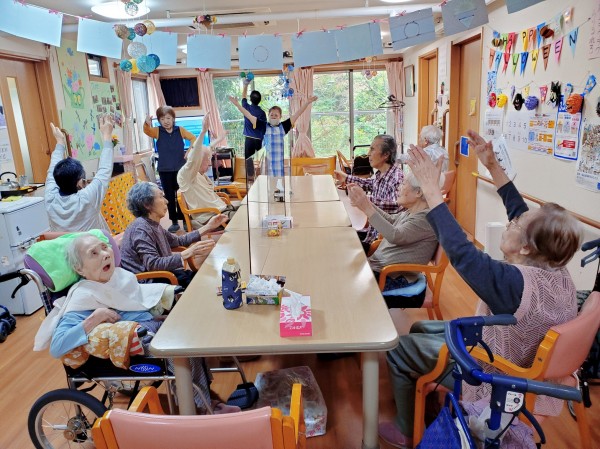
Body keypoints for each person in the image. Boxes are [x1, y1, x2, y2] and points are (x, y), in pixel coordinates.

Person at [379, 130, 582, 449]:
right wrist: (493, 166)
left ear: (526, 247)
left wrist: (432, 191)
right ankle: (428, 401)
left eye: (515, 224)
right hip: (519, 359)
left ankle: (406, 430)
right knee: (420, 327)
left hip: (492, 372)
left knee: (400, 347)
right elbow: (518, 210)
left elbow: (462, 253)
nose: (512, 221)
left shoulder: (513, 284)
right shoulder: (555, 267)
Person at [33, 232, 239, 414]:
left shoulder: (117, 278)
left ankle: (202, 399)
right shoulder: (82, 297)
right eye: (93, 253)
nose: (105, 254)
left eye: (104, 247)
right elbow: (57, 346)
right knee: (180, 346)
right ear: (79, 268)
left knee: (190, 331)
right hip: (125, 346)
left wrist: (162, 308)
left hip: (147, 329)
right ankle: (199, 408)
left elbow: (136, 301)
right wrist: (95, 318)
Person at [120, 182, 228, 288]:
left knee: (210, 281)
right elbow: (153, 264)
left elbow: (178, 241)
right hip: (150, 284)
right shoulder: (141, 229)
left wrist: (208, 226)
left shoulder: (151, 224)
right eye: (161, 197)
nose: (166, 201)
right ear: (146, 204)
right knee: (207, 285)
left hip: (163, 275)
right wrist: (188, 252)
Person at [347, 171, 438, 293]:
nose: (398, 187)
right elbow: (390, 220)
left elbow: (395, 236)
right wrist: (364, 203)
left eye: (403, 184)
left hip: (392, 276)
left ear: (418, 192)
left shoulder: (425, 219)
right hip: (380, 268)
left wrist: (366, 207)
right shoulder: (412, 212)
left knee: (343, 277)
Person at [333, 135, 403, 252]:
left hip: (379, 242)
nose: (368, 153)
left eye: (372, 149)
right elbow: (370, 183)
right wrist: (346, 178)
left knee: (339, 246)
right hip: (371, 233)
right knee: (338, 235)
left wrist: (364, 200)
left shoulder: (397, 177)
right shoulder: (381, 173)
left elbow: (397, 205)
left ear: (386, 155)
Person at [45, 117, 114, 232]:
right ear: (78, 182)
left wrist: (60, 142)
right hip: (93, 243)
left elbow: (52, 169)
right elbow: (105, 170)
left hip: (65, 244)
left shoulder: (50, 198)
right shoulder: (87, 198)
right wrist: (107, 135)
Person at [229, 95, 318, 177]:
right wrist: (237, 105)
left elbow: (297, 114)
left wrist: (307, 102)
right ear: (268, 116)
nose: (273, 116)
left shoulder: (284, 126)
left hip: (279, 167)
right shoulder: (263, 126)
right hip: (267, 165)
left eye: (276, 115)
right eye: (271, 115)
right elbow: (248, 115)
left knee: (279, 187)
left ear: (280, 116)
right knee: (268, 187)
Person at [177, 112, 237, 230]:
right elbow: (195, 155)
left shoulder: (198, 173)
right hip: (211, 216)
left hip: (220, 210)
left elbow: (206, 149)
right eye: (207, 160)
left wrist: (219, 139)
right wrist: (203, 132)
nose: (210, 164)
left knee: (247, 209)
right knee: (246, 218)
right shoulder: (186, 175)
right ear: (198, 161)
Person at [144, 106, 196, 233]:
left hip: (180, 169)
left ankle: (185, 219)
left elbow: (193, 138)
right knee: (169, 197)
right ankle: (174, 221)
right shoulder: (157, 131)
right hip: (165, 170)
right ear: (159, 121)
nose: (165, 121)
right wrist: (146, 123)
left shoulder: (180, 130)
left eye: (168, 118)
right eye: (162, 119)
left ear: (173, 119)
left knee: (182, 195)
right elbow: (147, 131)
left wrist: (189, 151)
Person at [240, 80, 267, 180]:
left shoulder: (246, 107)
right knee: (260, 160)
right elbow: (264, 128)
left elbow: (243, 97)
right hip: (259, 140)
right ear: (259, 100)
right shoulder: (262, 113)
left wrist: (245, 85)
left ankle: (251, 179)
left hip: (249, 139)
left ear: (250, 99)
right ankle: (261, 178)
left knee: (249, 161)